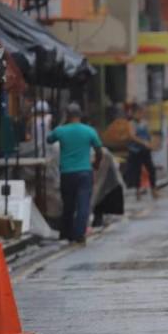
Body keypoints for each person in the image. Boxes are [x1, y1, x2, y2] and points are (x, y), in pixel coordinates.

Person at [46, 103, 103, 244]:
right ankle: (79, 234)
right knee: (83, 204)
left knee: (68, 205)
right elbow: (99, 150)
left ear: (67, 115)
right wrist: (96, 163)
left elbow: (49, 139)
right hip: (85, 172)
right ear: (80, 115)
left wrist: (62, 125)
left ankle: (66, 234)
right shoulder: (89, 131)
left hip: (67, 173)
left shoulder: (61, 130)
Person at [125, 104, 159, 200]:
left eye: (141, 113)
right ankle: (138, 191)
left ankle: (154, 190)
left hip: (145, 150)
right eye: (138, 113)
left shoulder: (144, 123)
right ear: (133, 114)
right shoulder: (131, 123)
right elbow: (132, 136)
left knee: (151, 169)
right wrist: (143, 142)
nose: (140, 115)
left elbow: (149, 135)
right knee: (137, 171)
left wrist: (152, 143)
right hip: (135, 151)